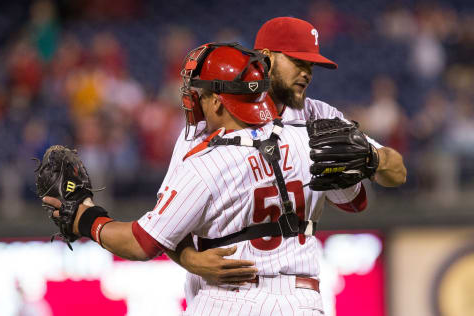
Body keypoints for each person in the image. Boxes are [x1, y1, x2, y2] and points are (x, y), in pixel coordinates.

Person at [43, 42, 339, 315]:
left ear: (219, 103)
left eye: (201, 93)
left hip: (232, 299)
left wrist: (85, 218)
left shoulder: (207, 163)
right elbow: (357, 201)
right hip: (305, 302)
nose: (193, 98)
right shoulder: (306, 139)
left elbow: (142, 243)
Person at [166, 16, 407, 297]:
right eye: (298, 62)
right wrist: (189, 259)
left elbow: (397, 173)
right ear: (266, 58)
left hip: (292, 291)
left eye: (311, 65)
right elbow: (165, 218)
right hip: (221, 293)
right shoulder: (215, 114)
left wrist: (372, 159)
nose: (307, 73)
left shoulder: (320, 116)